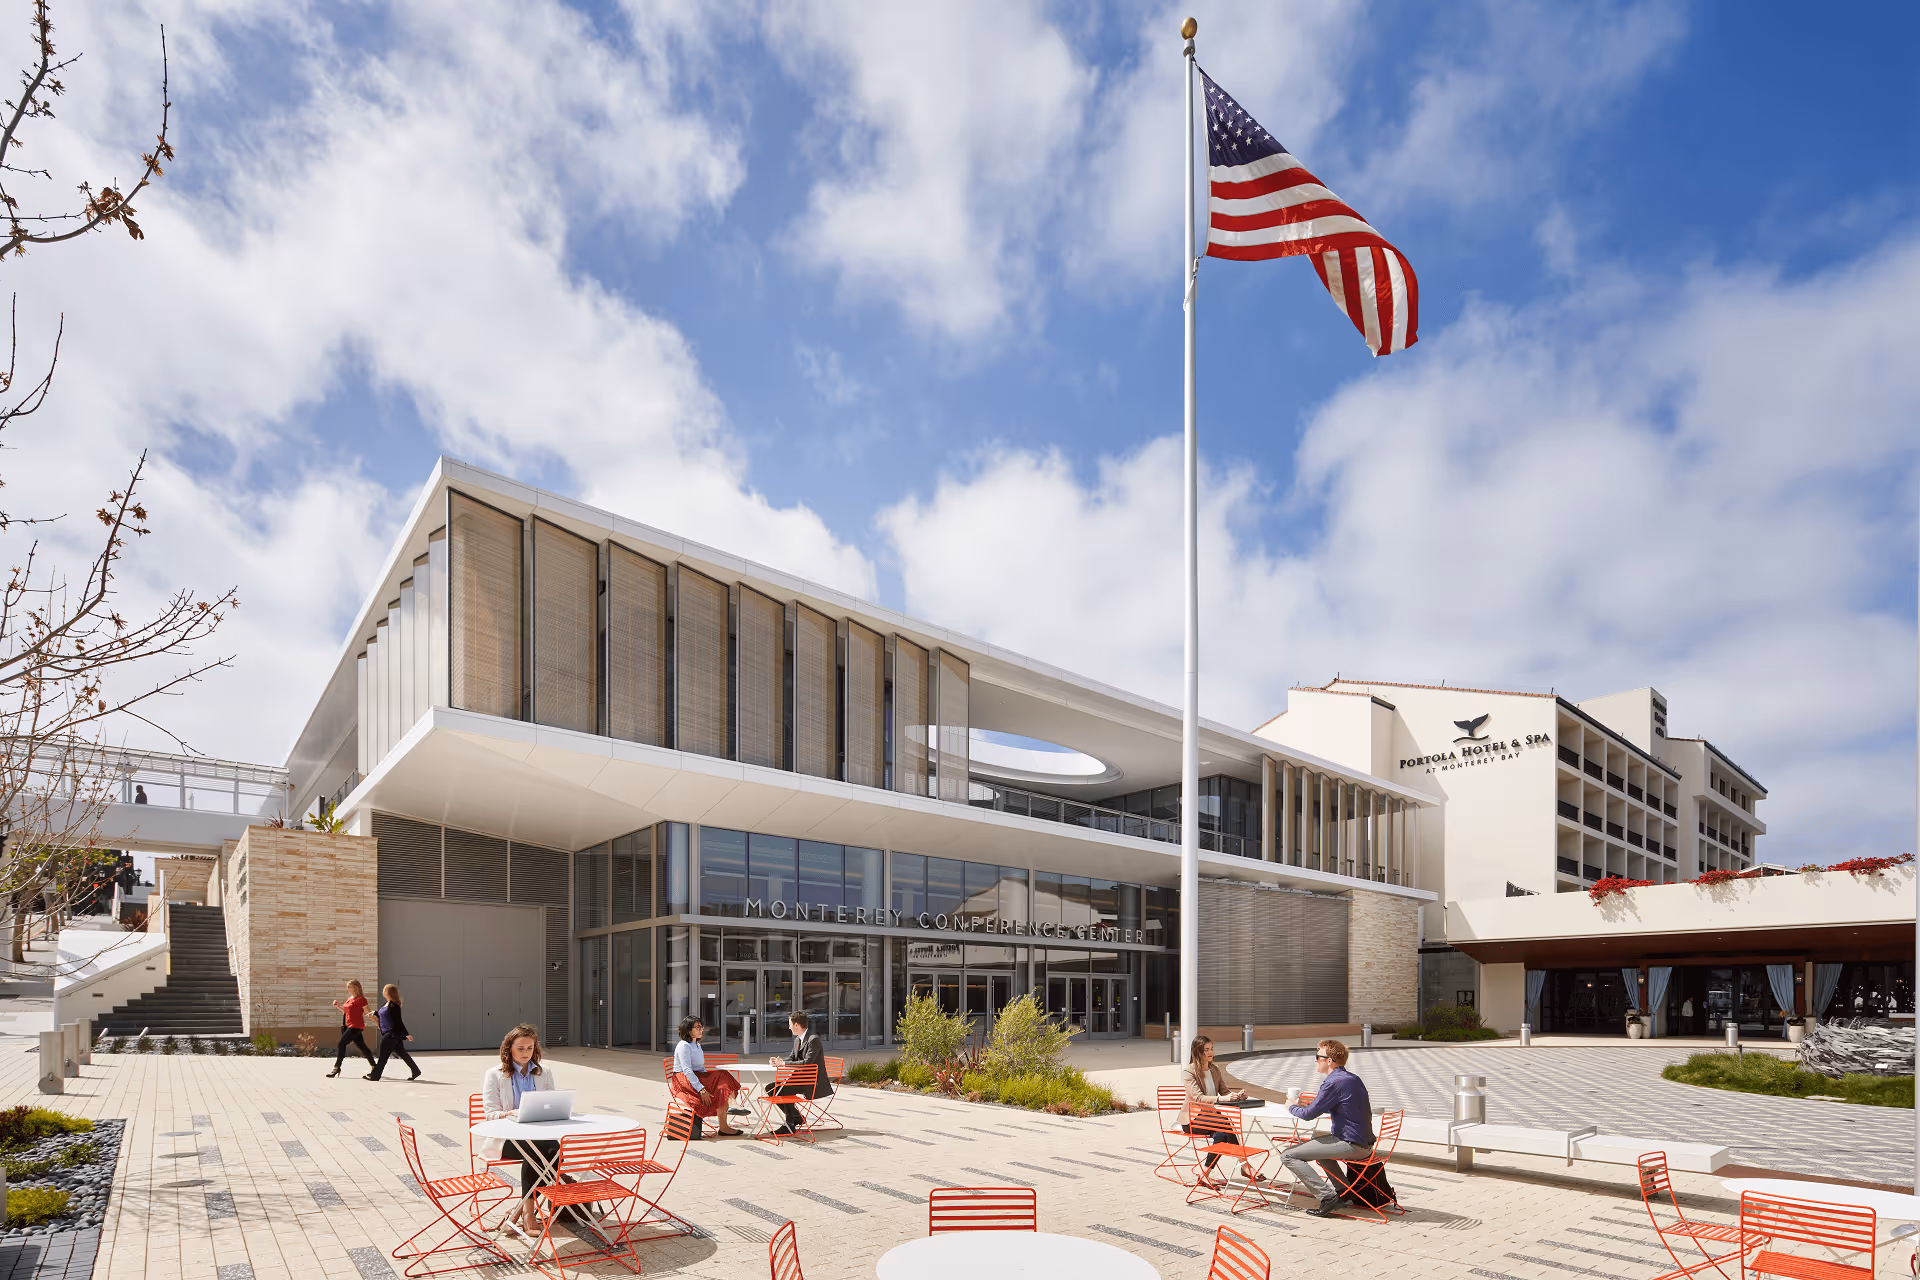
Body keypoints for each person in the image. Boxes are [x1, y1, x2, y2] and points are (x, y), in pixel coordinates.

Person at [1279, 1038, 1376, 1217]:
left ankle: (1327, 1197)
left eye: (1318, 1057)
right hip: (1364, 1144)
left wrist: (1291, 1107)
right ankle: (1344, 1191)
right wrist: (1305, 1105)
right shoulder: (1351, 1079)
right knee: (1318, 1149)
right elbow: (1329, 1106)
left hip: (1352, 1145)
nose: (1315, 1060)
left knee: (1287, 1155)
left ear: (1329, 1060)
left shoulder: (1333, 1082)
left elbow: (1308, 1115)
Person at [480, 1024, 558, 1237]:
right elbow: (490, 1114)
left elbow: (551, 1103)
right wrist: (513, 1113)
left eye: (530, 1048)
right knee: (539, 1151)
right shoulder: (494, 1074)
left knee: (554, 1149)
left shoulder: (545, 1072)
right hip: (506, 1139)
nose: (526, 1053)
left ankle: (520, 1210)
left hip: (539, 1135)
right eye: (521, 1048)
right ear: (509, 1049)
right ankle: (529, 1213)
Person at [1181, 1035, 1273, 1189]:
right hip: (1192, 1118)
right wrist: (1224, 1099)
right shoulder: (1189, 1072)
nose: (1210, 1053)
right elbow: (1198, 1098)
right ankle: (1245, 1166)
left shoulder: (1214, 1069)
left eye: (1211, 1049)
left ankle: (1204, 1174)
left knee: (1222, 1135)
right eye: (1206, 1050)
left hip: (1211, 1118)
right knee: (1225, 1122)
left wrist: (1237, 1096)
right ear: (1197, 1052)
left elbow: (1224, 1092)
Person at [668, 1016, 744, 1139]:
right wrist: (702, 1089)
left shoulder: (696, 1045)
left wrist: (710, 1080)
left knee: (722, 1081)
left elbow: (700, 1067)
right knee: (721, 1078)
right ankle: (729, 1111)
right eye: (697, 1027)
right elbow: (687, 1070)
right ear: (688, 1029)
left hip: (696, 1075)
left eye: (701, 1027)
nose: (701, 1030)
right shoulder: (684, 1046)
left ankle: (725, 1123)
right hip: (684, 1080)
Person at [766, 1011, 832, 1136]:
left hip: (812, 1082)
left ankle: (790, 1123)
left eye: (790, 1024)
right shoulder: (798, 1040)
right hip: (800, 1079)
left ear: (796, 1025)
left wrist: (784, 1064)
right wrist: (779, 1061)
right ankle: (796, 1117)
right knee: (770, 1088)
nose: (789, 1027)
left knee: (782, 1090)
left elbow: (807, 1063)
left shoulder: (813, 1040)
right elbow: (792, 1058)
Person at [365, 984, 421, 1082]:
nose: (383, 992)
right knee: (402, 1053)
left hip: (391, 1034)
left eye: (384, 990)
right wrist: (374, 1012)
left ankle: (375, 1076)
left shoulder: (394, 1005)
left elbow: (398, 1021)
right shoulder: (386, 1003)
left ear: (388, 992)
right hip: (391, 1034)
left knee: (383, 1055)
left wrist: (406, 1034)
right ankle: (415, 1071)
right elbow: (383, 1013)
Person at [326, 980, 375, 1078]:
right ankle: (375, 1066)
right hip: (349, 1025)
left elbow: (368, 1012)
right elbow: (347, 1012)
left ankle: (337, 1067)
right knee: (363, 1047)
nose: (347, 989)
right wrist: (338, 1006)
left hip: (356, 1026)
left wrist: (377, 1023)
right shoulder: (349, 999)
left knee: (341, 1044)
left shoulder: (361, 999)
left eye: (349, 987)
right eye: (347, 987)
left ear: (356, 988)